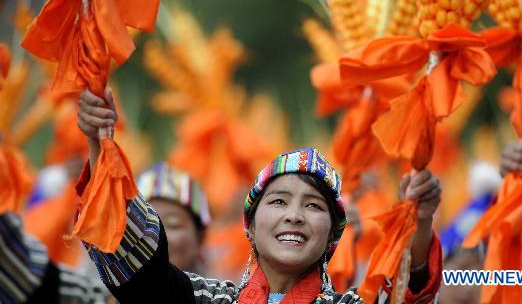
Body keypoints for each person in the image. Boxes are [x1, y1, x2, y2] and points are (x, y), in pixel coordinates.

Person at [76, 88, 443, 303]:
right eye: (279, 201)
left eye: (313, 205)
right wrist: (101, 142)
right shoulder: (209, 299)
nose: (294, 215)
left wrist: (421, 219)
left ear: (333, 234)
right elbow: (143, 275)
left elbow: (406, 296)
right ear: (249, 226)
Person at [136, 161, 211, 274]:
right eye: (145, 224)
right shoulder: (102, 289)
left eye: (173, 225)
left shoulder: (228, 290)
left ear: (200, 238)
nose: (157, 237)